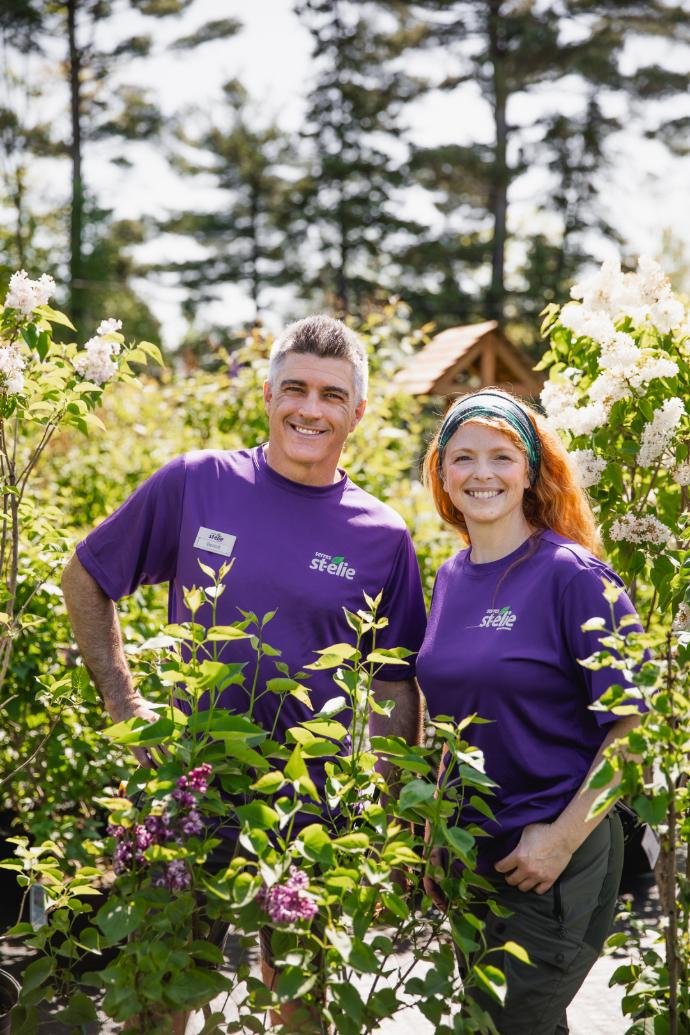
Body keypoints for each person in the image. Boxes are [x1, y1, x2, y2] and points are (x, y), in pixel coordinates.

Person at [61, 315, 427, 1034]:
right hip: (191, 788)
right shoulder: (198, 482)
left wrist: (393, 819)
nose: (310, 409)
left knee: (300, 1007)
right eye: (295, 388)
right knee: (161, 998)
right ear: (267, 395)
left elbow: (392, 681)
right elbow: (86, 576)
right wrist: (124, 702)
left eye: (331, 394)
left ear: (358, 412)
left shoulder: (382, 537)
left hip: (309, 809)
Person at [416, 388, 643, 1035]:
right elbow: (453, 718)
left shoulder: (574, 576)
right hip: (473, 855)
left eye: (501, 456)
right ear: (442, 475)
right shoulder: (450, 578)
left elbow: (635, 726)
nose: (481, 473)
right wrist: (436, 832)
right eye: (463, 458)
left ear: (530, 471)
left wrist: (560, 839)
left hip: (552, 856)